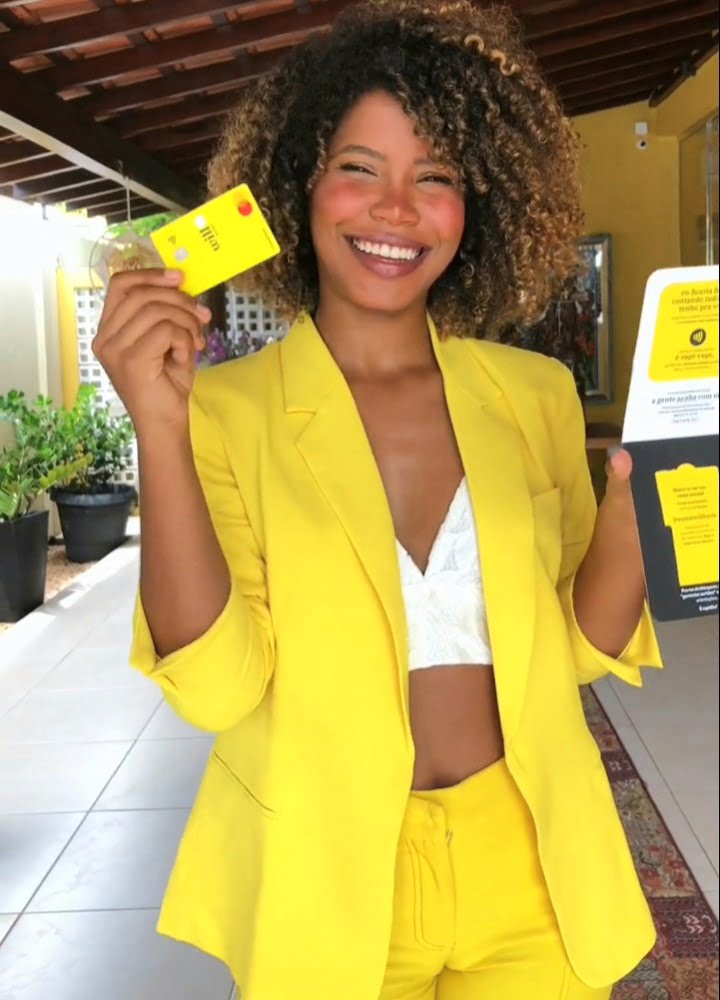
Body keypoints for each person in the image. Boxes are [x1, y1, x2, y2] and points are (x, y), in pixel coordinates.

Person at [92, 2, 663, 997]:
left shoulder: (532, 394)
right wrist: (159, 428)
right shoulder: (220, 413)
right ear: (297, 187)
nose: (396, 209)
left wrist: (637, 506)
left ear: (477, 205)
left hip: (532, 861)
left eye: (434, 177)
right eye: (360, 168)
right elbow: (218, 690)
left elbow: (580, 650)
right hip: (326, 866)